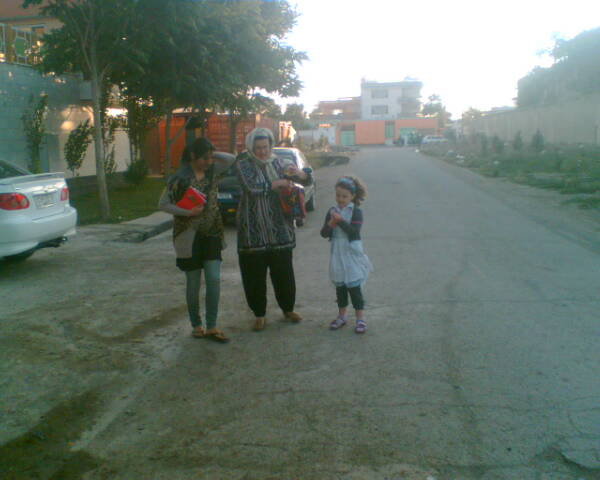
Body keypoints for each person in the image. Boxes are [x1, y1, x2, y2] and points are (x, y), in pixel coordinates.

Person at [236, 128, 313, 331]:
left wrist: (300, 174)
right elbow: (251, 187)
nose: (262, 151)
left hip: (280, 230)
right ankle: (259, 314)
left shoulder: (280, 162)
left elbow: (305, 180)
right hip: (253, 231)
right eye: (258, 148)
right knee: (254, 276)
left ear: (271, 146)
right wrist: (275, 183)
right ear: (251, 147)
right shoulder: (243, 164)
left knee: (284, 273)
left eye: (265, 147)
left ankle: (288, 309)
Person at [158, 138, 235, 343]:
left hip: (212, 233)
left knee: (214, 278)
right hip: (188, 236)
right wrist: (187, 212)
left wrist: (211, 151)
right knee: (193, 283)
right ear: (193, 157)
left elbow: (231, 159)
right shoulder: (180, 178)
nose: (209, 161)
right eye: (204, 158)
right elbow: (163, 204)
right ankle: (196, 324)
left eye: (210, 158)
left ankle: (212, 325)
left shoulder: (212, 171)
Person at [320, 176, 373, 334]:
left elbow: (354, 233)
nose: (341, 199)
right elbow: (324, 233)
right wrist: (331, 224)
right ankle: (342, 316)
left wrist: (341, 221)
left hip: (351, 252)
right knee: (340, 287)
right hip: (337, 252)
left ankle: (360, 319)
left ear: (352, 196)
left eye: (344, 196)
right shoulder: (332, 211)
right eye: (338, 195)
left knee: (354, 287)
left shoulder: (356, 212)